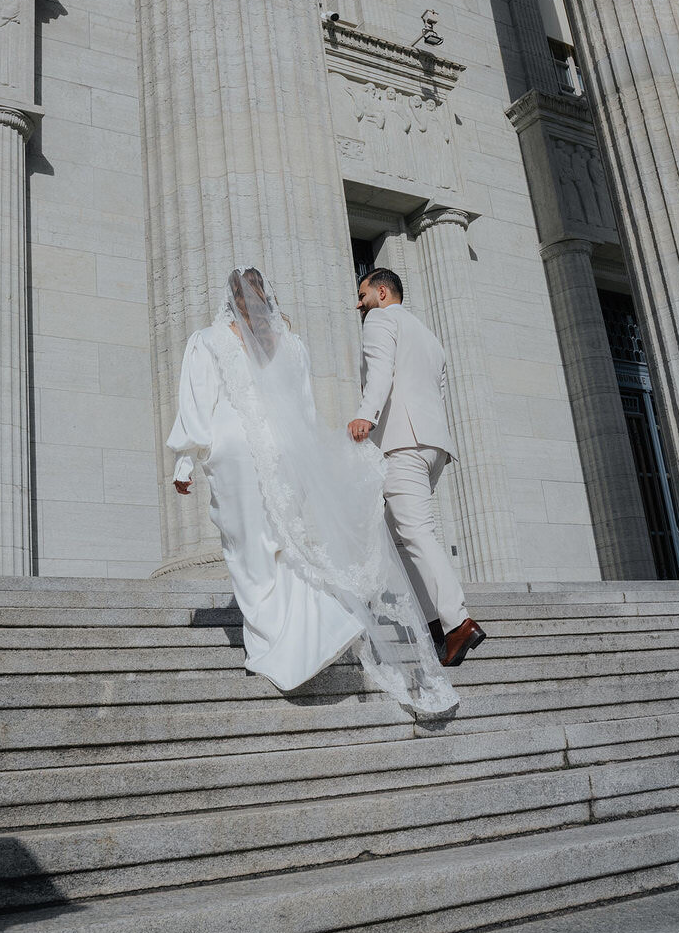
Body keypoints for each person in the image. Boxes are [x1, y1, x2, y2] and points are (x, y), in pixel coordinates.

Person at [168, 267, 458, 719]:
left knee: (248, 552)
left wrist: (185, 460)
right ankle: (313, 626)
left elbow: (197, 400)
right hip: (284, 453)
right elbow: (302, 410)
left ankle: (274, 647)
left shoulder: (209, 340)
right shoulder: (290, 342)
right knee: (284, 545)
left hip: (235, 451)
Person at [348, 268, 486, 667]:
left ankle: (457, 621)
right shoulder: (429, 336)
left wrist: (365, 416)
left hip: (402, 441)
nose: (359, 304)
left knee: (416, 531)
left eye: (363, 294)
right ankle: (435, 626)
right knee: (399, 534)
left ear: (383, 292)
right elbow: (438, 392)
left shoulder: (380, 319)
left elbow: (381, 373)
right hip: (433, 445)